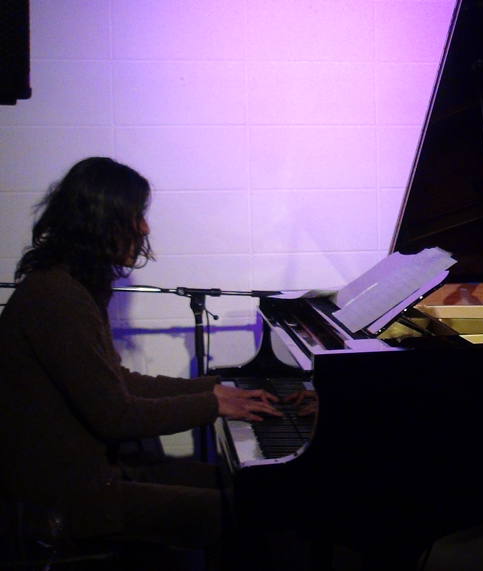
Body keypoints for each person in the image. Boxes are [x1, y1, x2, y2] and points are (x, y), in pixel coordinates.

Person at [0, 157, 280, 561]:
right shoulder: (56, 297)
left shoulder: (71, 286)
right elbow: (115, 416)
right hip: (67, 501)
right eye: (135, 215)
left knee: (253, 489)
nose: (144, 228)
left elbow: (118, 380)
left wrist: (214, 390)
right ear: (100, 220)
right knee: (252, 512)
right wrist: (211, 404)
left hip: (95, 477)